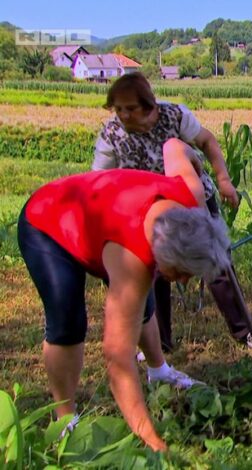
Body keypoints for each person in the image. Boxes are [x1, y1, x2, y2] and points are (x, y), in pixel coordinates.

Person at [18, 138, 231, 451]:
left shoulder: (191, 194)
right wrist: (152, 441)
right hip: (49, 221)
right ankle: (65, 422)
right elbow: (117, 357)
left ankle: (159, 372)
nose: (183, 280)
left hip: (103, 213)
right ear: (165, 254)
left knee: (143, 304)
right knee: (68, 322)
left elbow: (174, 145)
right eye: (182, 273)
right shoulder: (132, 260)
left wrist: (199, 164)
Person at [92, 72, 252, 351]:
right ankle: (160, 343)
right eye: (118, 108)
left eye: (130, 108)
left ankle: (245, 332)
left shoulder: (175, 116)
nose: (123, 115)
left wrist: (224, 180)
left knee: (216, 262)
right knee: (154, 274)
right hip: (147, 212)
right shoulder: (111, 134)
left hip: (193, 200)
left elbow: (208, 142)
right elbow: (99, 181)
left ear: (149, 105)